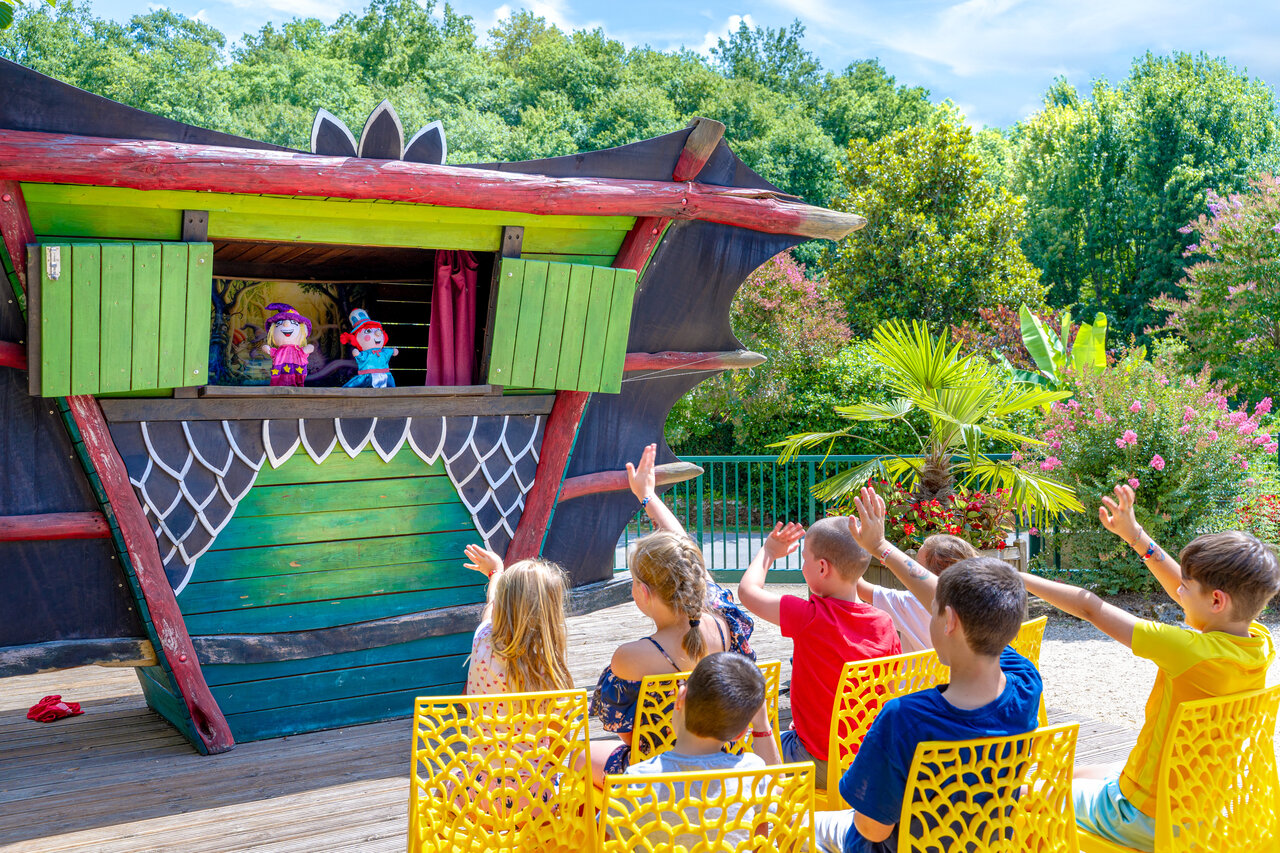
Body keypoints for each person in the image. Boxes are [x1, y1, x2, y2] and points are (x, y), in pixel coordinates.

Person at [1018, 484, 1279, 851]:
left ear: (1217, 600)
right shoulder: (1258, 643)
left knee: (1020, 795)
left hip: (1145, 817)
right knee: (1069, 773)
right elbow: (1186, 592)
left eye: (1186, 589)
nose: (1178, 593)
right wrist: (1136, 537)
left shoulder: (1190, 651)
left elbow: (1090, 607)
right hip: (1203, 804)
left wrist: (1015, 578)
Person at [813, 486, 1042, 853]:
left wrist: (881, 548)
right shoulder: (1027, 683)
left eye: (935, 608)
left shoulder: (905, 717)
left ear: (948, 619)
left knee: (800, 828)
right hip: (980, 841)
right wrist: (881, 548)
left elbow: (871, 829)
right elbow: (951, 601)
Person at [590, 444, 757, 785]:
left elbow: (631, 739)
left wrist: (645, 493)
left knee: (581, 757)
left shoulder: (631, 658)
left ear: (643, 592)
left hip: (659, 777)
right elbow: (684, 548)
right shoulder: (726, 620)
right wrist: (648, 496)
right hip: (725, 758)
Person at [736, 511, 900, 789]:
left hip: (818, 762)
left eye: (804, 560)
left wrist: (768, 551)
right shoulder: (884, 623)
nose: (802, 568)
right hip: (869, 761)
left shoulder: (809, 616)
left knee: (737, 748)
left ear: (822, 568)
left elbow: (747, 591)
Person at [614, 652, 780, 848]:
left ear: (680, 696)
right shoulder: (753, 773)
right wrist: (761, 725)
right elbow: (785, 800)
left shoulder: (636, 780)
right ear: (740, 733)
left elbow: (605, 843)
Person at [462, 545, 574, 695]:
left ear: (499, 607)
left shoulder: (483, 639)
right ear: (551, 615)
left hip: (485, 720)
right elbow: (558, 719)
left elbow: (492, 601)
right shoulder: (549, 673)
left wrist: (495, 572)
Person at [856, 534, 978, 652]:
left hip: (918, 674)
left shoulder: (910, 603)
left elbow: (860, 588)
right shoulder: (977, 603)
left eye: (916, 565)